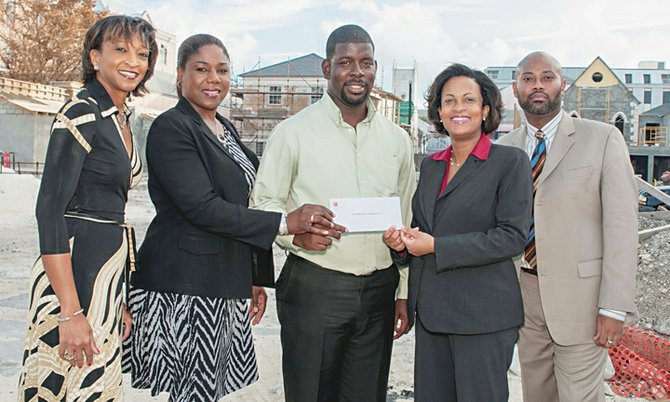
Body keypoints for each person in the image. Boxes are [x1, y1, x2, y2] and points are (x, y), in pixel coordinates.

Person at [122, 34, 343, 401]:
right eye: (202, 69)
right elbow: (202, 208)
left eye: (222, 70)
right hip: (183, 289)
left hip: (223, 284)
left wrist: (253, 276)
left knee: (209, 392)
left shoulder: (225, 129)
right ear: (180, 75)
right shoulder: (172, 128)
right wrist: (288, 223)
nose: (214, 79)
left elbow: (248, 205)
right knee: (191, 393)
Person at [250, 25, 416, 401]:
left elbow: (405, 218)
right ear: (327, 68)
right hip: (314, 287)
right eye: (345, 62)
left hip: (379, 291)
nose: (357, 71)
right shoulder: (292, 133)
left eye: (366, 62)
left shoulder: (397, 140)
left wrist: (403, 292)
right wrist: (292, 231)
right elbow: (263, 204)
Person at [18, 15, 157, 401]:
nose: (134, 61)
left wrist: (117, 301)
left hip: (105, 274)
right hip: (71, 274)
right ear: (95, 57)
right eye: (121, 50)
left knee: (96, 387)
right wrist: (70, 312)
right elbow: (49, 211)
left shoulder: (120, 117)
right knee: (58, 384)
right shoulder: (80, 112)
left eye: (142, 53)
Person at [383, 64, 532, 401]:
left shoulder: (509, 162)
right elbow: (422, 231)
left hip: (484, 316)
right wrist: (401, 245)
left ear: (485, 109)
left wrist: (436, 246)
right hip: (434, 314)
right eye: (449, 100)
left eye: (468, 99)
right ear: (439, 111)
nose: (458, 108)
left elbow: (511, 236)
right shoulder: (432, 165)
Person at [497, 51, 638, 402]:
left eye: (547, 77)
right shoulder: (503, 149)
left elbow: (621, 227)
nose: (538, 85)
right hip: (524, 299)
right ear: (516, 89)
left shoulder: (602, 139)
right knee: (537, 395)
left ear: (564, 84)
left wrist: (613, 308)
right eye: (528, 78)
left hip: (583, 304)